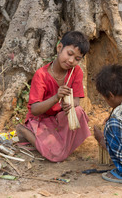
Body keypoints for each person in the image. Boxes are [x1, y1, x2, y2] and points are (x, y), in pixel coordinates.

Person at [16, 31, 91, 162]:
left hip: (59, 120)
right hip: (41, 120)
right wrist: (56, 98)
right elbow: (34, 109)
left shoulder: (76, 71)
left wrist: (70, 105)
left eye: (77, 59)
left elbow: (76, 101)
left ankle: (56, 145)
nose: (71, 61)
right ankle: (25, 131)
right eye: (69, 54)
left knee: (79, 112)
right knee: (57, 155)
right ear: (59, 48)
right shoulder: (42, 75)